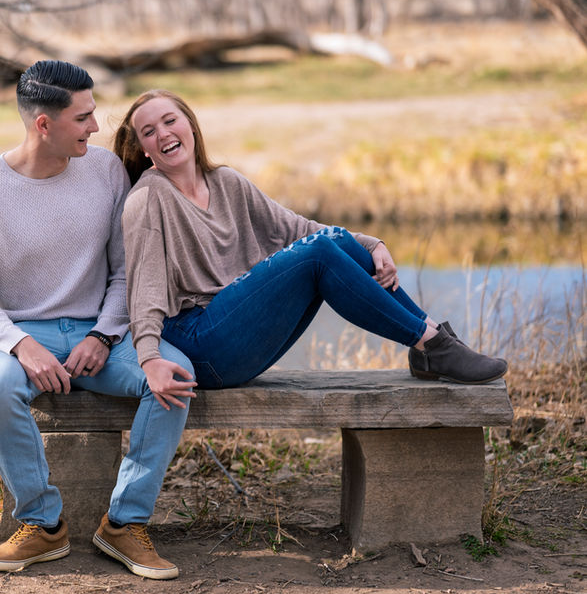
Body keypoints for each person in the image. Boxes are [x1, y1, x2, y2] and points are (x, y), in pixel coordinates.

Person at [0, 63, 197, 580]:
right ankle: (42, 525)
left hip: (101, 329)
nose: (96, 128)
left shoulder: (106, 171)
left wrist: (104, 334)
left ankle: (124, 523)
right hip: (20, 334)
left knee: (172, 375)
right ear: (44, 124)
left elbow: (126, 272)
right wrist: (20, 346)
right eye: (84, 117)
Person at [113, 89, 508, 391]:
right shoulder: (149, 199)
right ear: (145, 149)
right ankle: (433, 345)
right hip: (201, 346)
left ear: (191, 125)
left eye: (170, 121)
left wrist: (370, 243)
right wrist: (149, 359)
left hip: (237, 330)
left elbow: (297, 229)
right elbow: (143, 290)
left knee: (331, 239)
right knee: (318, 254)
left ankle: (431, 342)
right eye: (149, 131)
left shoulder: (226, 182)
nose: (163, 133)